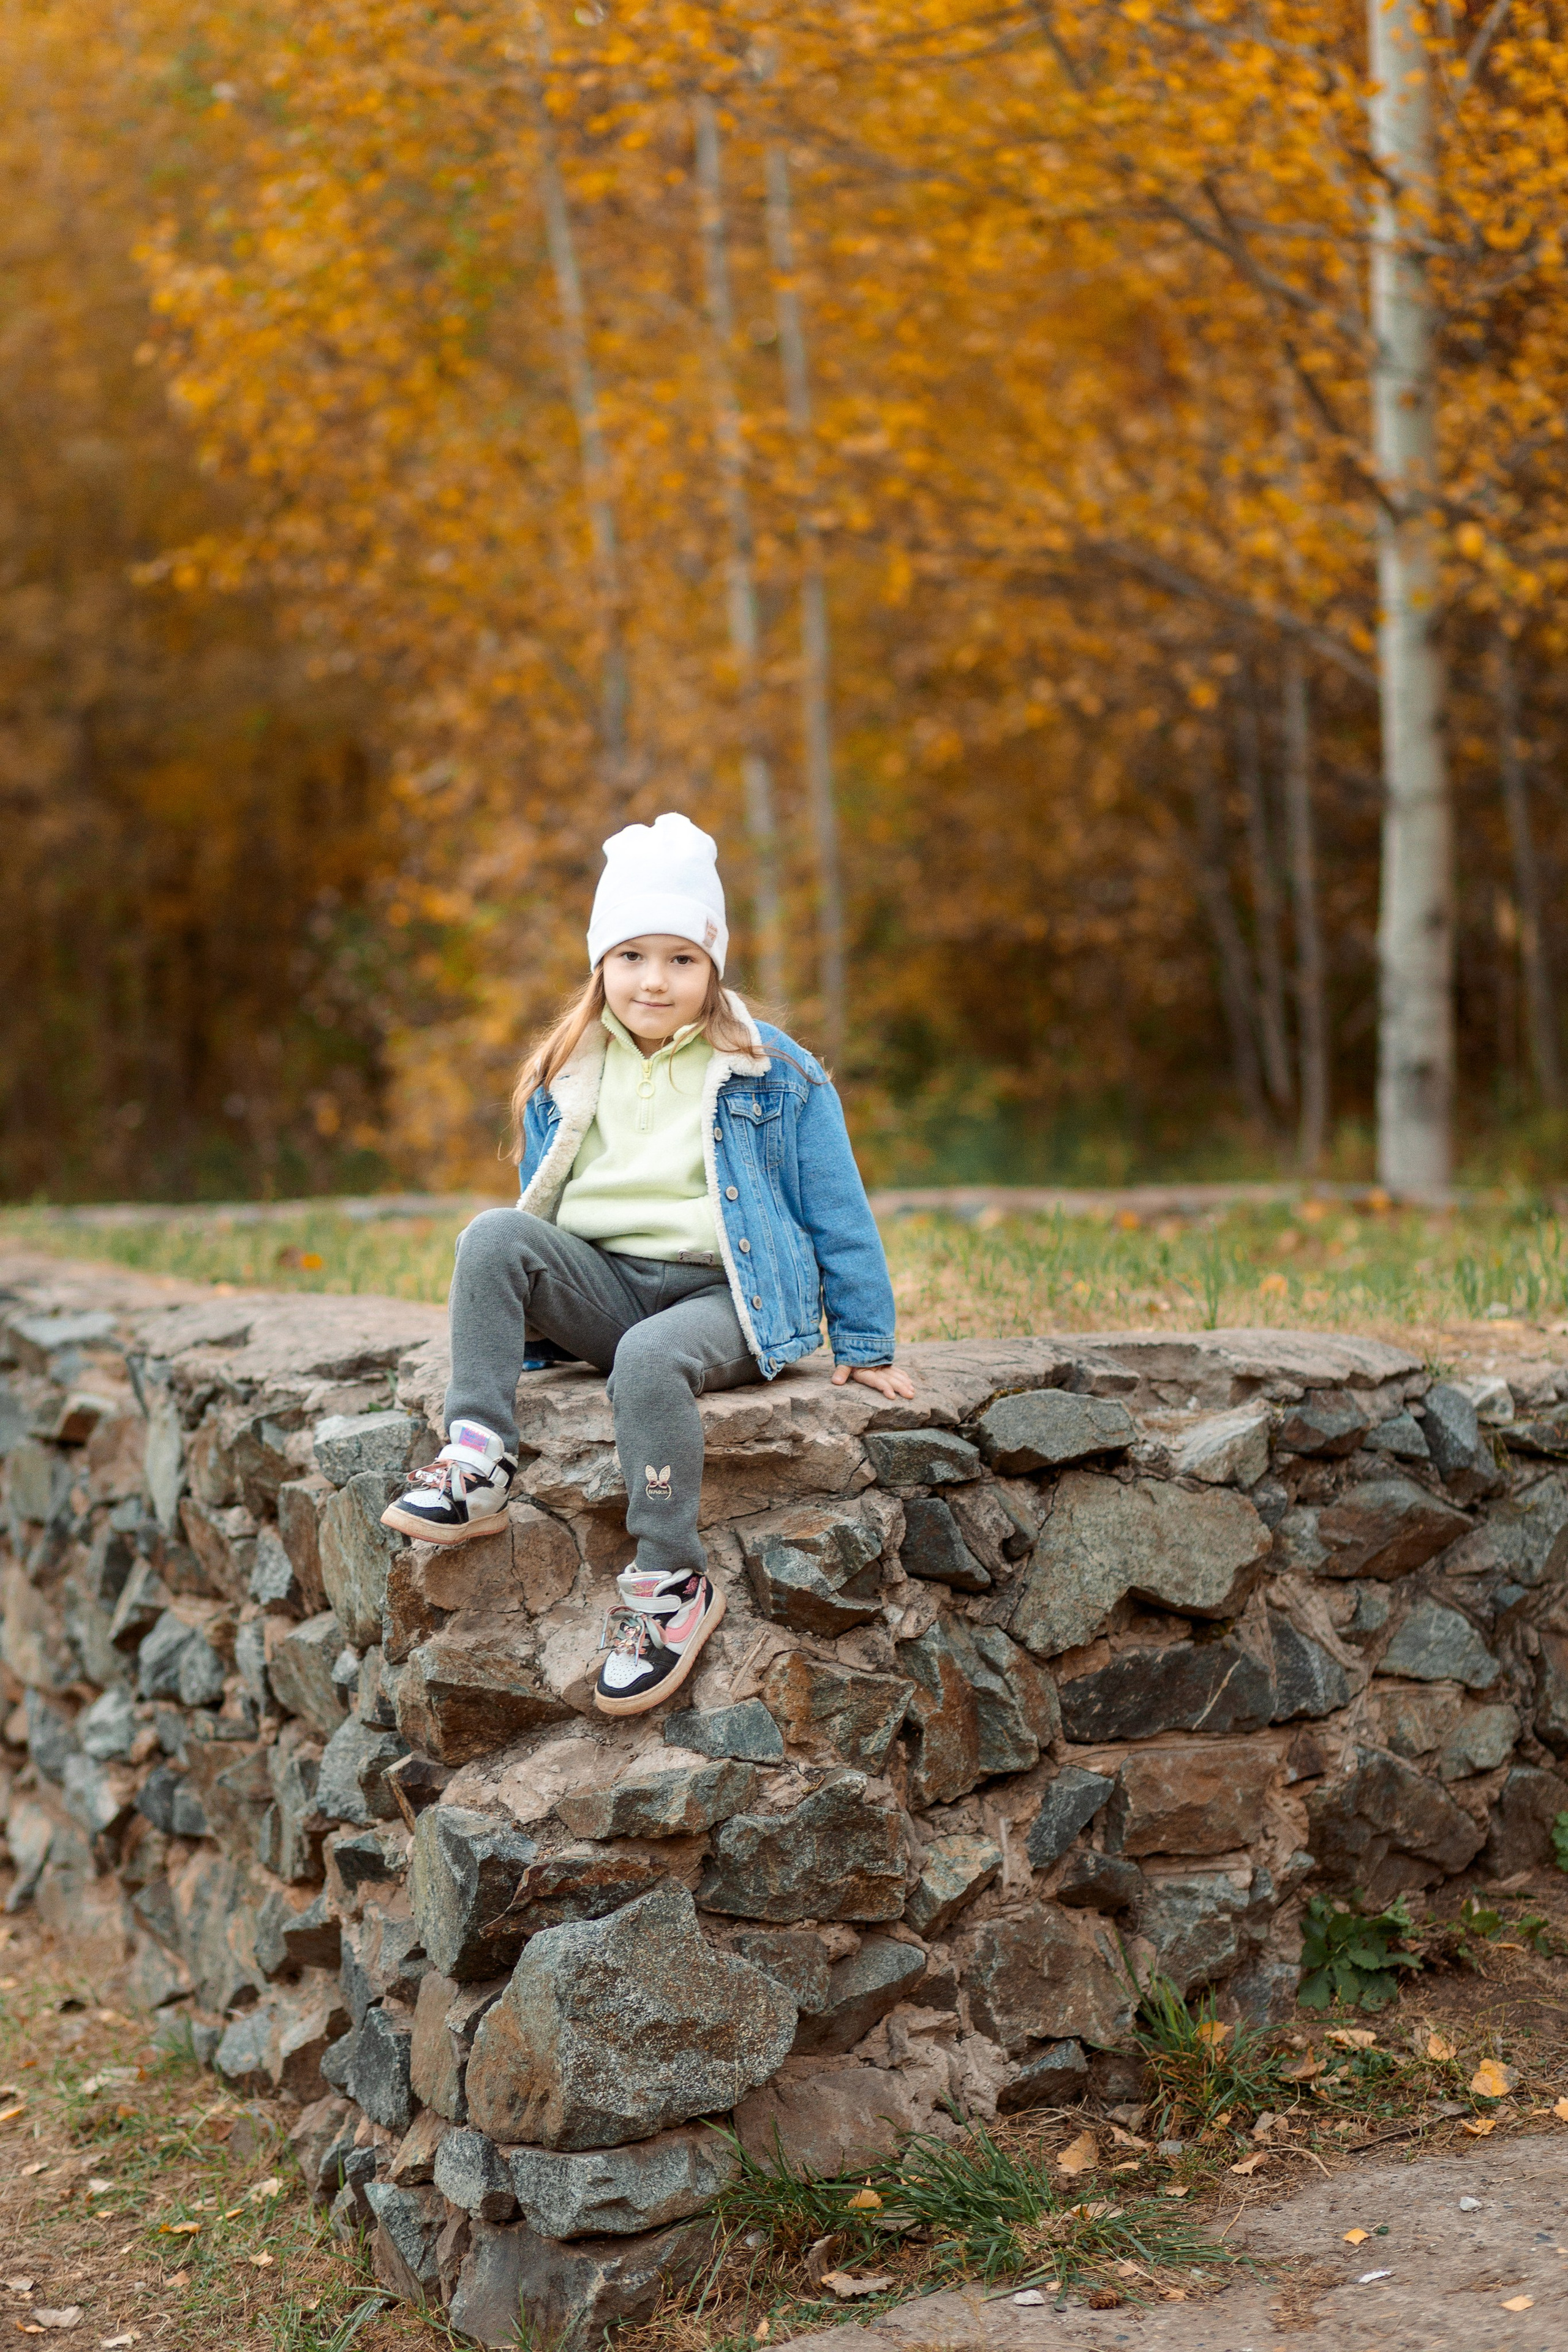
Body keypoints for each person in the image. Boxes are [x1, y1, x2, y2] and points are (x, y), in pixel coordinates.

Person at [382, 812, 915, 1716]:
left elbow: (838, 1208)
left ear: (714, 967)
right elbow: (543, 1207)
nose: (654, 980)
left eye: (681, 958)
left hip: (726, 1297)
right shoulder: (565, 1068)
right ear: (601, 963)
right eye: (631, 956)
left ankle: (672, 1582)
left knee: (647, 1358)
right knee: (492, 1235)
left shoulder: (774, 1070)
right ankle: (476, 1457)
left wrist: (866, 1340)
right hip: (609, 1285)